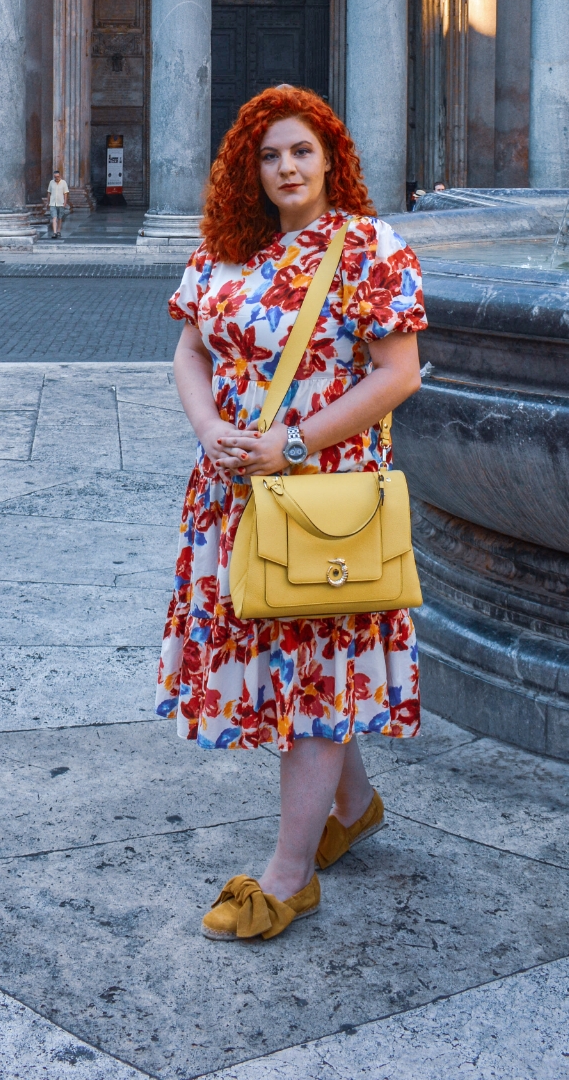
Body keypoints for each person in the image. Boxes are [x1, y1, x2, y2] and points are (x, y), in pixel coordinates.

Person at [156, 84, 426, 942]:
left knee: (309, 671)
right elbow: (189, 351)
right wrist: (209, 429)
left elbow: (399, 374)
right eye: (268, 155)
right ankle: (352, 806)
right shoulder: (220, 252)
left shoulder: (368, 247)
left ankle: (289, 874)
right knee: (305, 664)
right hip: (233, 493)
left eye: (301, 151)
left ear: (330, 157)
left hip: (319, 500)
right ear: (249, 169)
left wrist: (293, 444)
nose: (286, 168)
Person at [46, 170, 70, 238]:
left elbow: (65, 193)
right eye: (55, 177)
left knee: (59, 218)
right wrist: (48, 202)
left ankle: (58, 231)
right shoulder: (51, 182)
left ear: (60, 176)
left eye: (58, 176)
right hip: (53, 203)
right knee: (54, 217)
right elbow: (49, 193)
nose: (57, 178)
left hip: (60, 203)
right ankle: (54, 232)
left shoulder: (63, 183)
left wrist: (65, 202)